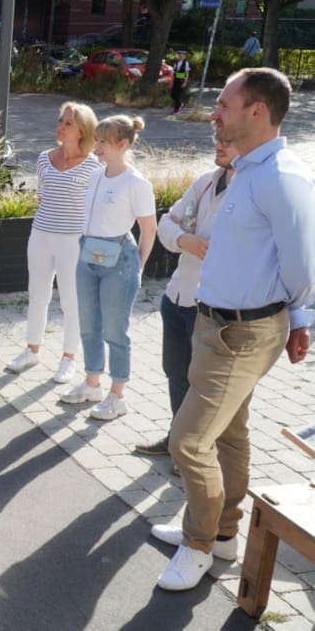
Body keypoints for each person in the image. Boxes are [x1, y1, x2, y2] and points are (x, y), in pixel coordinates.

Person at [154, 68, 315, 591]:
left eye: (224, 104)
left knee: (188, 443)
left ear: (257, 111)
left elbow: (302, 262)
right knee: (229, 434)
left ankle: (198, 543)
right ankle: (223, 535)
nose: (215, 113)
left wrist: (302, 320)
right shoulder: (244, 171)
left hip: (245, 334)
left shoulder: (282, 178)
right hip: (212, 323)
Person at [134, 138, 237, 462]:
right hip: (177, 296)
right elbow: (167, 223)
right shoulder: (205, 181)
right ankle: (177, 440)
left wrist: (196, 242)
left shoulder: (250, 191)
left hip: (210, 304)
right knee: (174, 371)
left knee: (202, 382)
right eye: (218, 139)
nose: (219, 145)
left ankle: (195, 452)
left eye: (227, 141)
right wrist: (184, 239)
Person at [60, 115, 156, 421]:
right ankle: (92, 384)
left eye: (103, 141)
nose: (97, 145)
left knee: (116, 331)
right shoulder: (96, 175)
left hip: (119, 260)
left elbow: (149, 230)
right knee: (88, 325)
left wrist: (137, 268)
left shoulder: (136, 182)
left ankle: (117, 396)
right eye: (97, 139)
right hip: (88, 255)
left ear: (122, 144)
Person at [6, 102, 99, 383]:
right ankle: (32, 350)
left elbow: (93, 210)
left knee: (72, 301)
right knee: (37, 294)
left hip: (73, 241)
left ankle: (68, 358)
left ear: (83, 130)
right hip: (41, 235)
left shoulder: (94, 167)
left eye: (68, 123)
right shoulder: (44, 158)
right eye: (60, 120)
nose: (60, 126)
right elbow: (43, 197)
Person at [171, 50, 190, 115]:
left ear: (184, 56)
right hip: (176, 80)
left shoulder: (186, 63)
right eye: (180, 55)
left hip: (181, 80)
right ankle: (180, 103)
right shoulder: (176, 62)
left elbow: (187, 73)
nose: (181, 56)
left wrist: (185, 82)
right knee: (172, 94)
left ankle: (176, 109)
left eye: (182, 55)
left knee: (177, 95)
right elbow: (174, 72)